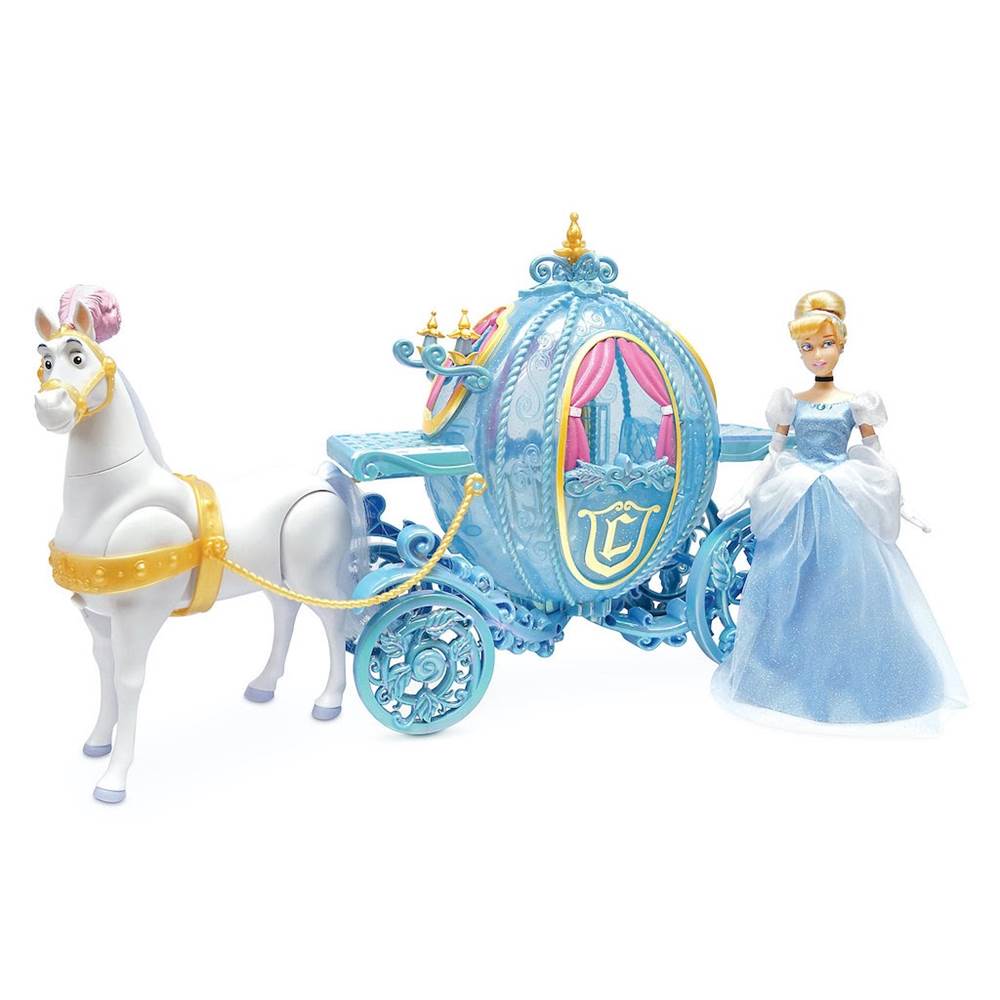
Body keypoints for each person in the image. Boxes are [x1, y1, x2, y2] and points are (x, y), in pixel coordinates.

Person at [714, 290, 965, 730]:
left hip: (842, 493)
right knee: (790, 580)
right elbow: (774, 452)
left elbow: (875, 454)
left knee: (851, 582)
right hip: (798, 493)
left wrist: (900, 501)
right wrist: (747, 488)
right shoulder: (790, 400)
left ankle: (861, 679)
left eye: (825, 344)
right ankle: (786, 676)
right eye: (807, 347)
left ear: (842, 345)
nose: (817, 355)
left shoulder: (856, 402)